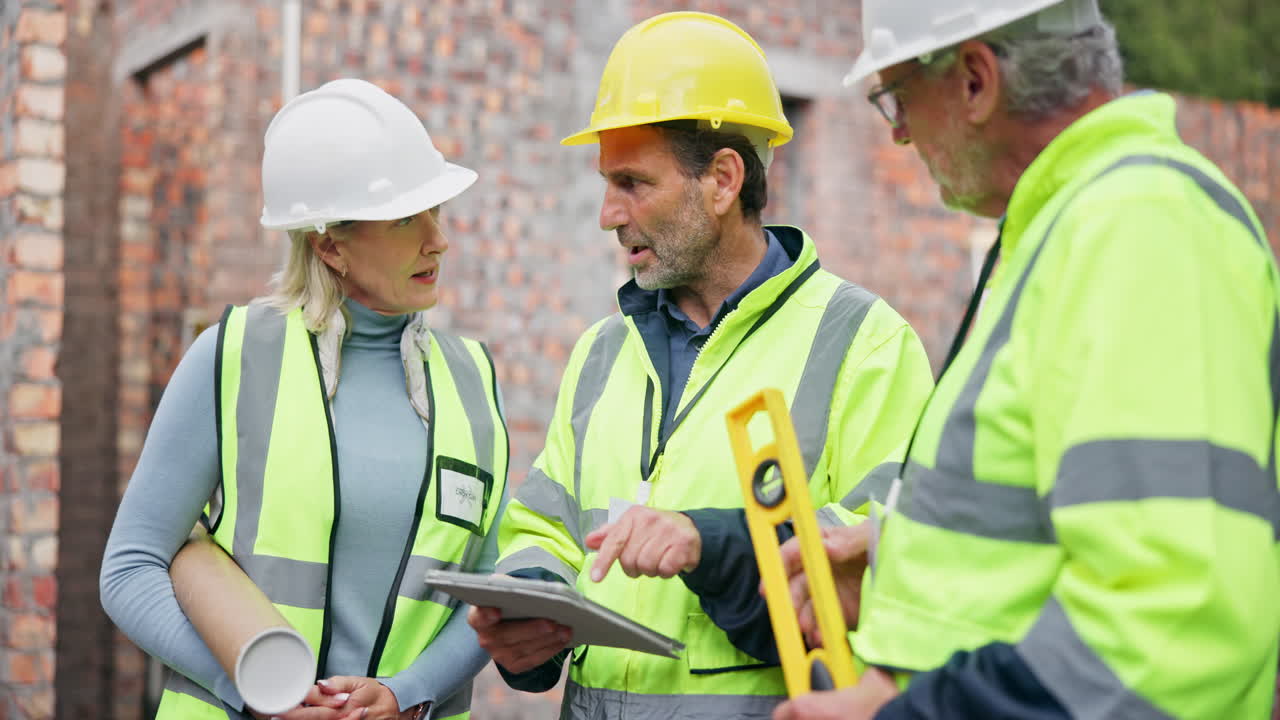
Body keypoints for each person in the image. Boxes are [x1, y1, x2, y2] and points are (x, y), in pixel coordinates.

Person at [771, 1, 1280, 718]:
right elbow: (1052, 517)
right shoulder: (1077, 227)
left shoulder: (1139, 228)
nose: (900, 131)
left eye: (897, 96)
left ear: (976, 80)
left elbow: (1175, 620)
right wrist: (899, 561)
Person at [465, 12, 935, 720]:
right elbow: (545, 525)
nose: (606, 213)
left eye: (633, 182)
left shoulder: (866, 344)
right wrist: (529, 602)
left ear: (721, 180)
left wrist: (708, 544)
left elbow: (875, 567)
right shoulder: (602, 352)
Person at [100, 79, 509, 720]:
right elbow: (131, 568)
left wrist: (410, 691)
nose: (438, 239)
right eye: (406, 218)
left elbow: (493, 591)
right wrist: (254, 693)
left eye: (435, 212)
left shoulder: (472, 379)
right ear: (329, 245)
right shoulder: (234, 355)